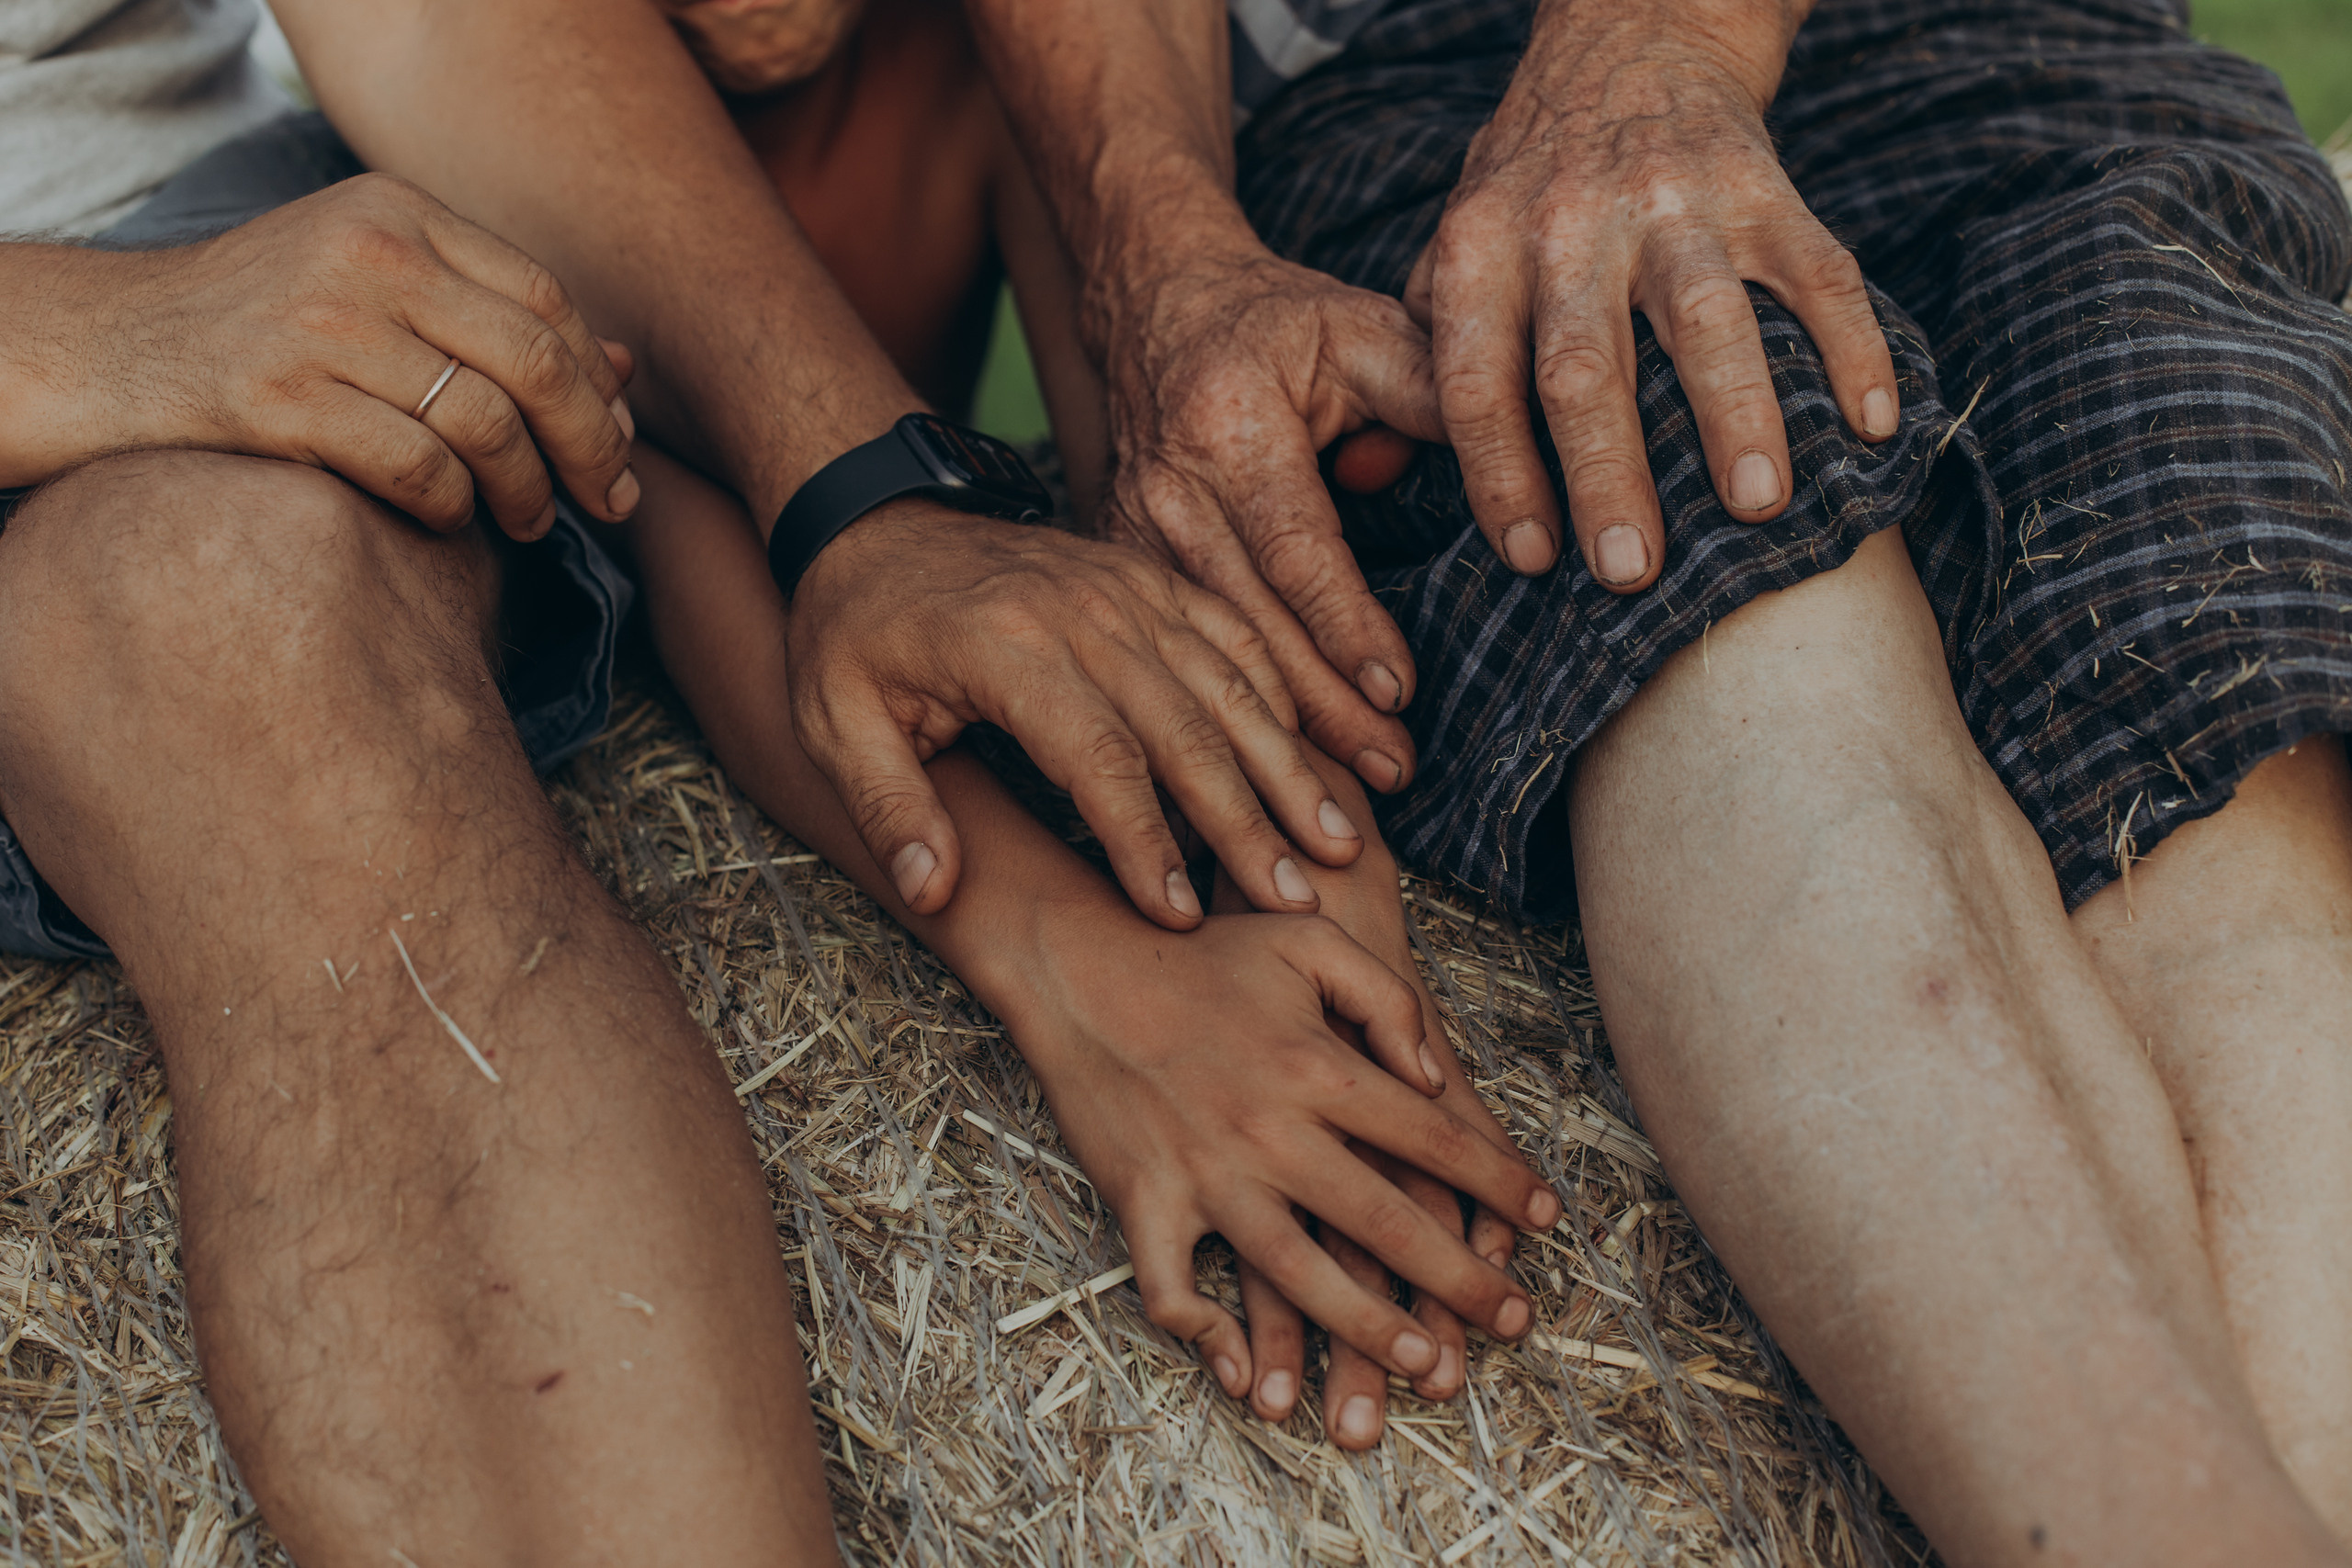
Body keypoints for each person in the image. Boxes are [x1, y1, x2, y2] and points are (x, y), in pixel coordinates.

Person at [0, 0, 1563, 1558]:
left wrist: (1269, 882)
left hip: (194, 224)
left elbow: (433, 48)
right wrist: (104, 342)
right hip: (124, 291)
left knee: (233, 605)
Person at [948, 0, 2352, 1559]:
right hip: (1393, 86)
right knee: (1698, 560)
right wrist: (1161, 250)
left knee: (2203, 652)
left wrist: (1659, 41)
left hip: (2025, 43)